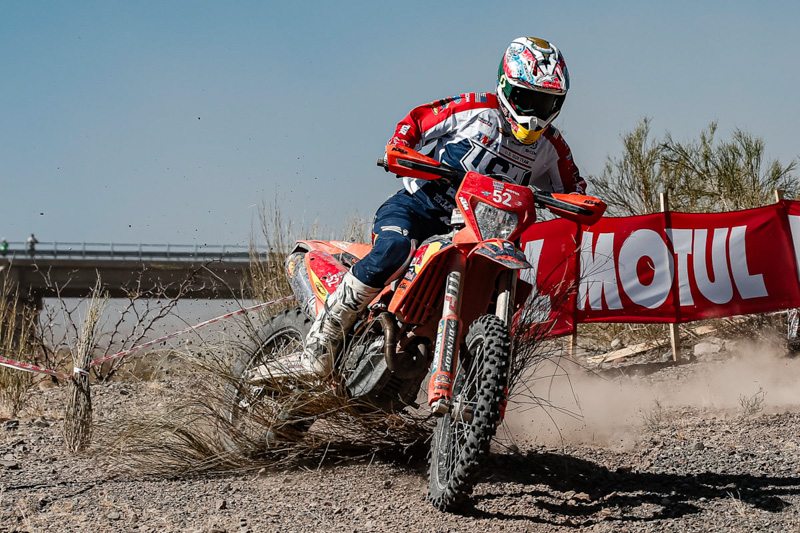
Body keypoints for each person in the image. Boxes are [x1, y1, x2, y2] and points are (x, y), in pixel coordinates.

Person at [301, 36, 587, 376]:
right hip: (419, 209)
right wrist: (400, 147)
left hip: (482, 233)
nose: (535, 114)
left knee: (502, 284)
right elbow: (417, 121)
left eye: (546, 103)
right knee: (394, 248)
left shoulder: (551, 146)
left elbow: (575, 189)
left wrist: (580, 204)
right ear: (506, 88)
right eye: (527, 99)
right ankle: (327, 332)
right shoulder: (474, 111)